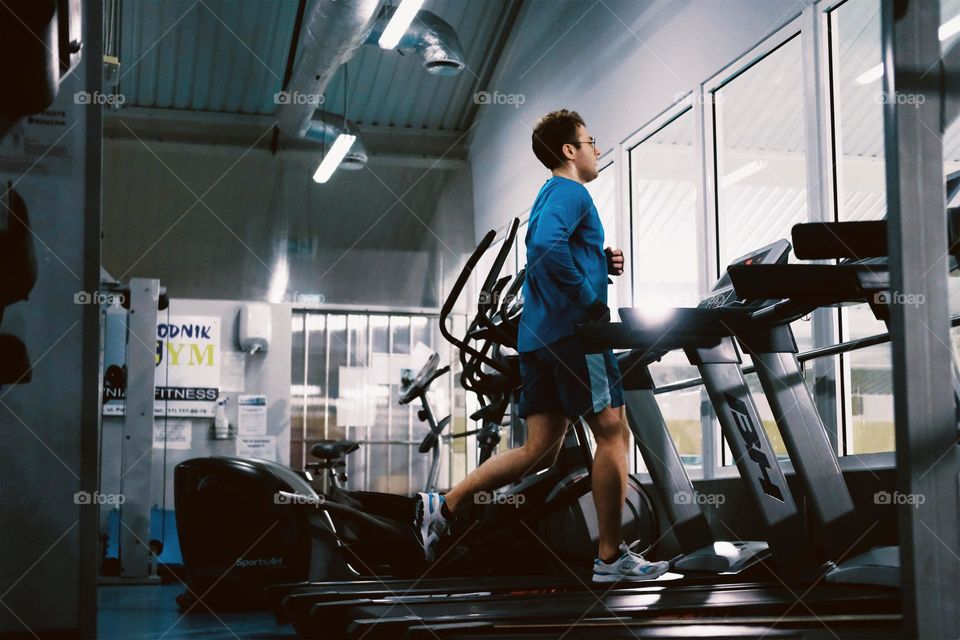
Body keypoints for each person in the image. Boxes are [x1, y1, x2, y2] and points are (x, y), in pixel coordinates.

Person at [415, 109, 669, 583]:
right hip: (576, 337)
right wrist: (590, 300)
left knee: (540, 448)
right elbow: (547, 248)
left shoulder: (549, 196)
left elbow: (554, 248)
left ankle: (443, 506)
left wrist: (599, 258)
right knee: (613, 432)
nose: (596, 149)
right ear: (569, 150)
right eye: (590, 141)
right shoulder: (571, 190)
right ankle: (611, 560)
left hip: (540, 340)